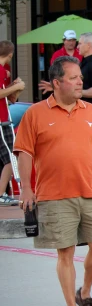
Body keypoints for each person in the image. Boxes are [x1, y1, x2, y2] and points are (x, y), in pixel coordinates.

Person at [14, 56, 92, 306]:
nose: (80, 82)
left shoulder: (91, 112)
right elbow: (24, 152)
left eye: (80, 78)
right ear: (56, 83)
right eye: (74, 78)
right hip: (54, 195)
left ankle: (84, 291)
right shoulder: (35, 114)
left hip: (91, 191)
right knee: (65, 252)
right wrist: (26, 188)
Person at [0, 40, 25, 205]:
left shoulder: (4, 72)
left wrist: (16, 88)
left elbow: (9, 99)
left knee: (8, 158)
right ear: (11, 54)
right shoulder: (1, 70)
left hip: (4, 118)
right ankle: (1, 193)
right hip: (2, 122)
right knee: (11, 157)